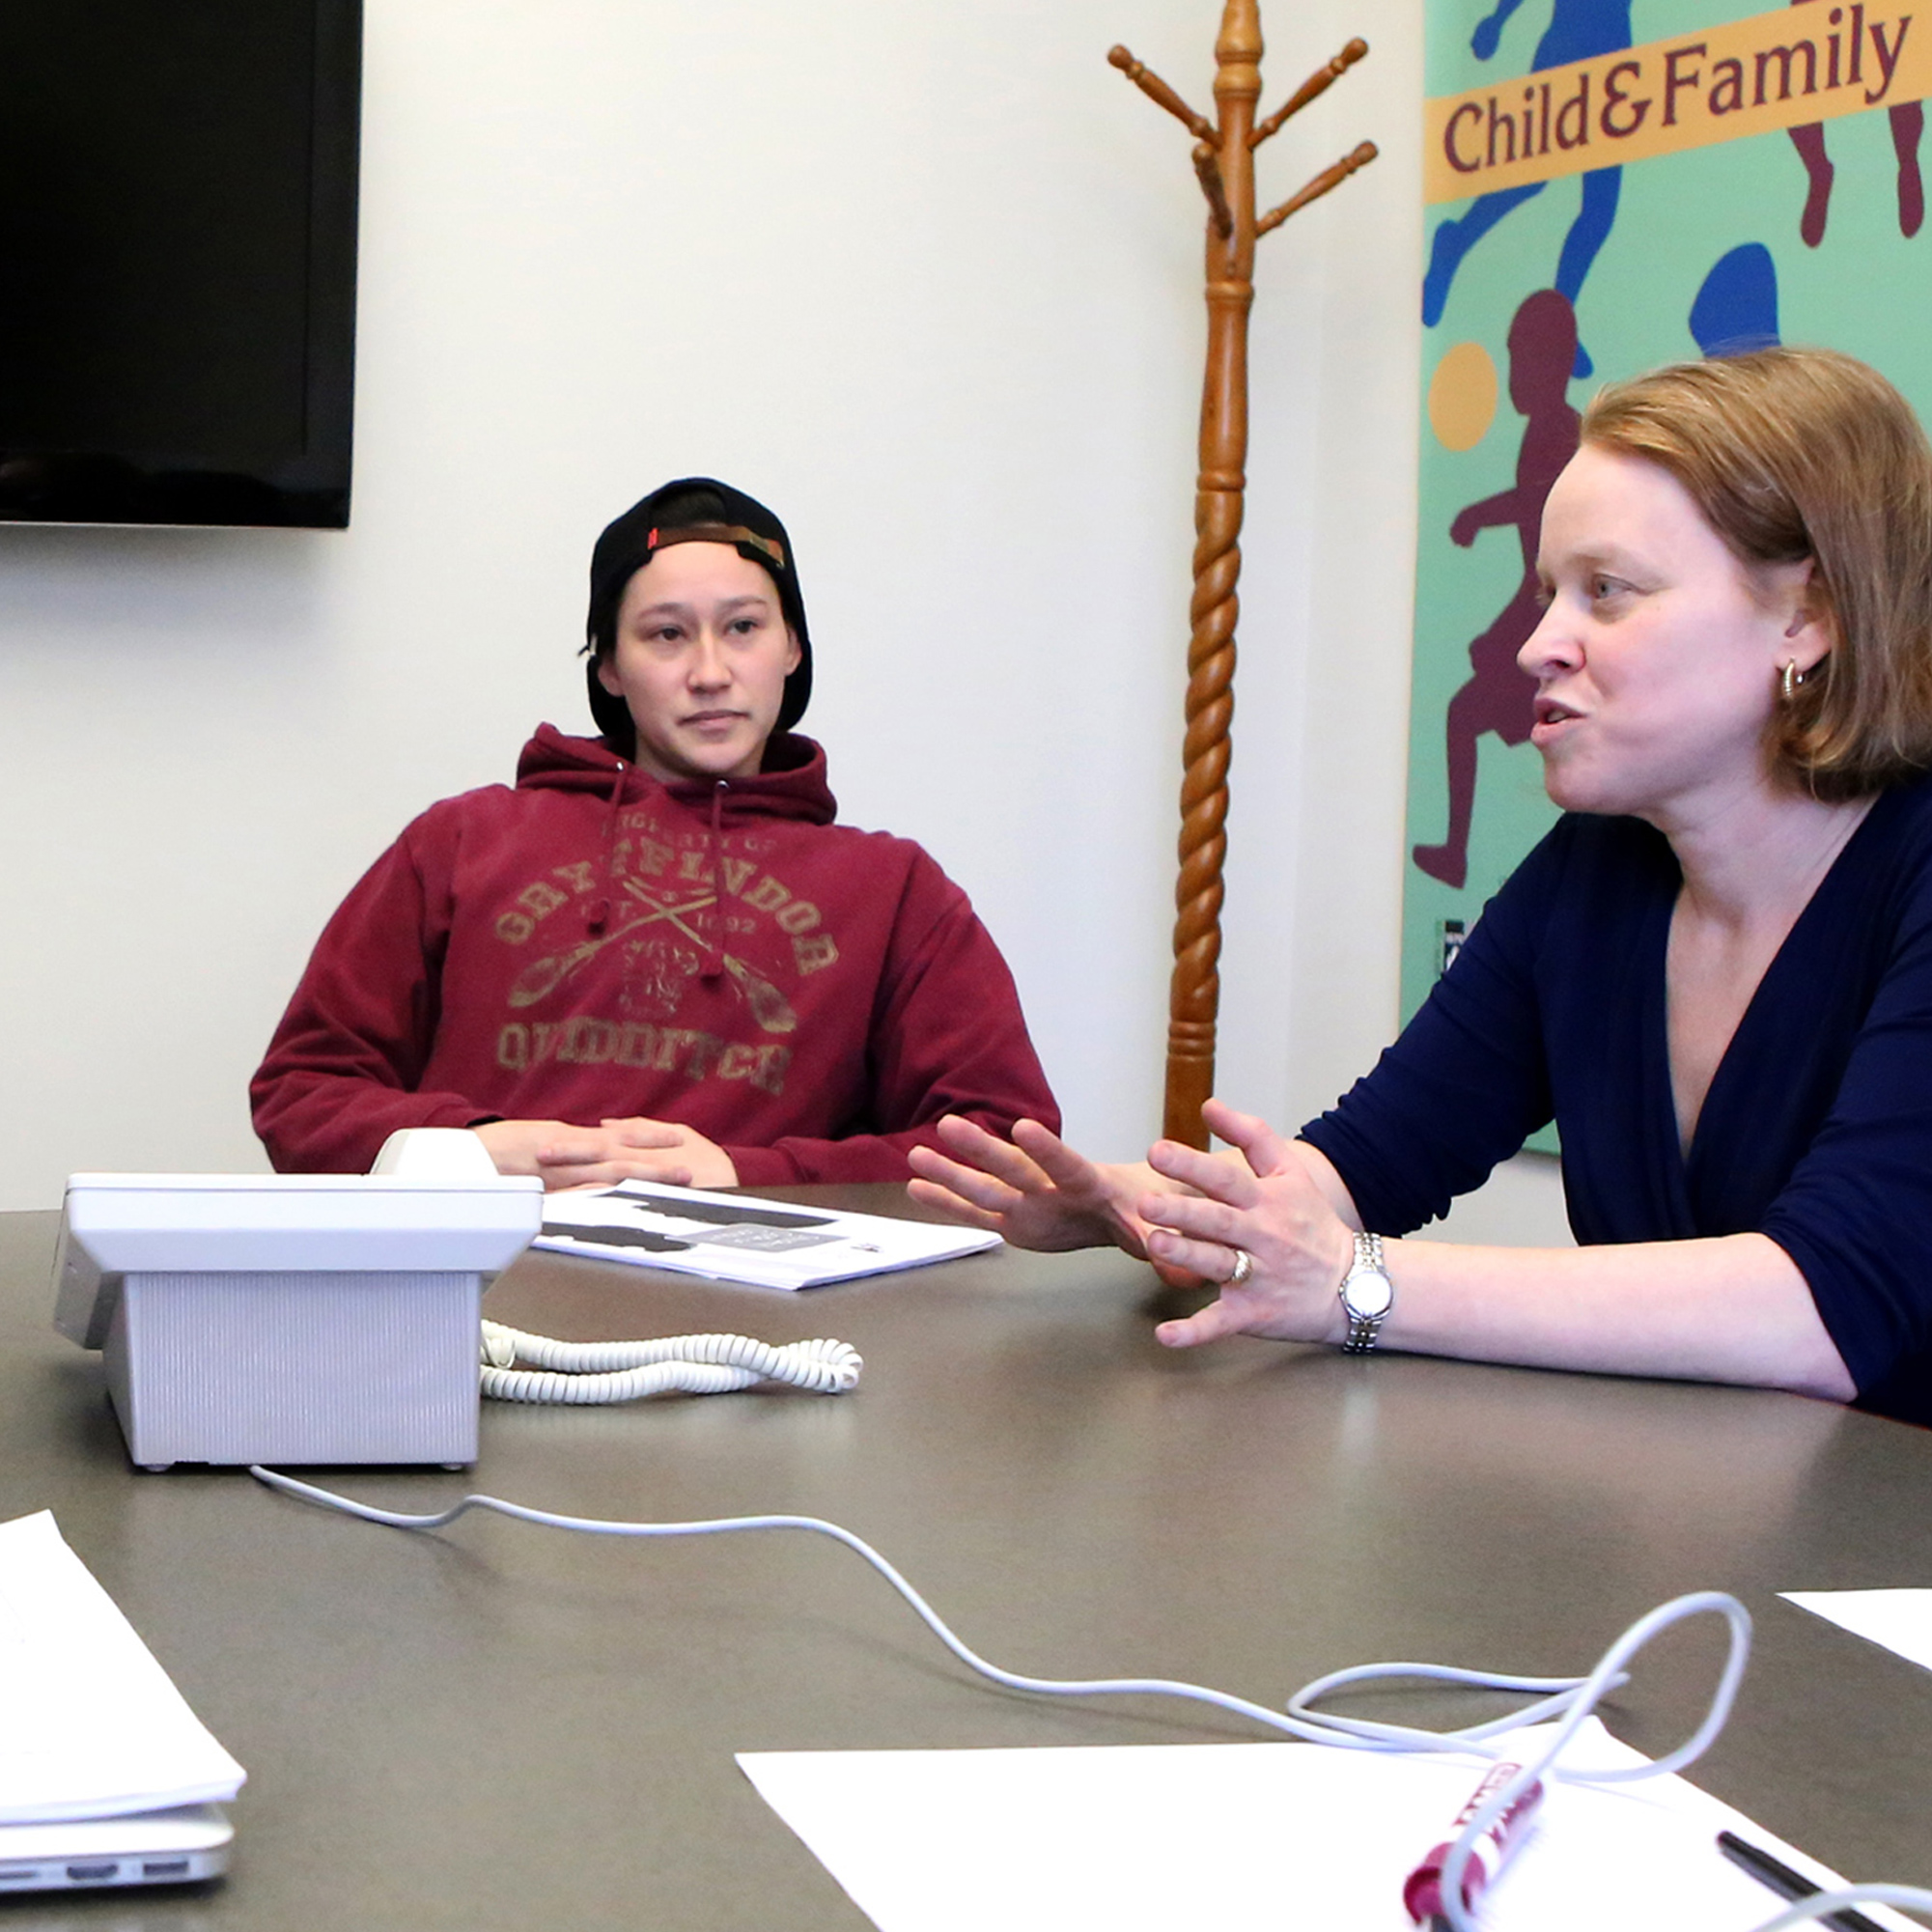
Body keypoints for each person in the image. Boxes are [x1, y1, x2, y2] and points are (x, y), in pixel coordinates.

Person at [910, 347, 1932, 1426]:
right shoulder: (1596, 874)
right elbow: (1364, 1167)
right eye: (1548, 595)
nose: (1540, 645)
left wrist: (1355, 1285)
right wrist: (1169, 1216)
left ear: (1806, 620)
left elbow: (1823, 1310)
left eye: (1609, 594)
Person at [252, 477, 1059, 1189]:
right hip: (483, 1303)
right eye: (666, 634)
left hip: (762, 1322)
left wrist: (752, 1173)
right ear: (608, 666)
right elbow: (303, 1091)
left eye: (742, 626)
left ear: (792, 649)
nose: (709, 672)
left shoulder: (895, 891)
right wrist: (470, 1149)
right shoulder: (463, 840)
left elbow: (1003, 1146)